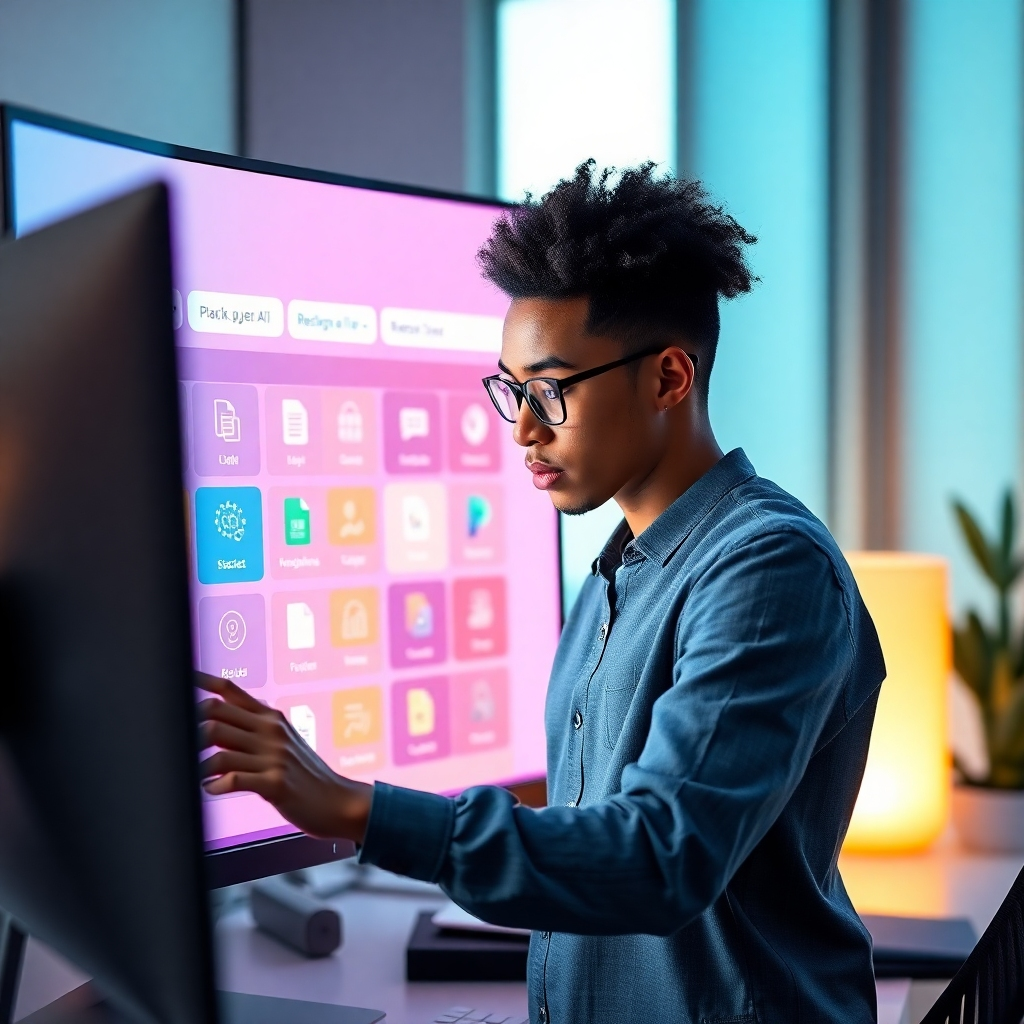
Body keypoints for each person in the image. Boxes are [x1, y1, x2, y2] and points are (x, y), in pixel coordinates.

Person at [198, 161, 886, 1024]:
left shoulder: (767, 571)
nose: (523, 426)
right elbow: (592, 820)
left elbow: (658, 857)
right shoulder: (616, 572)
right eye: (513, 391)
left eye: (551, 390)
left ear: (670, 378)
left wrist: (354, 806)